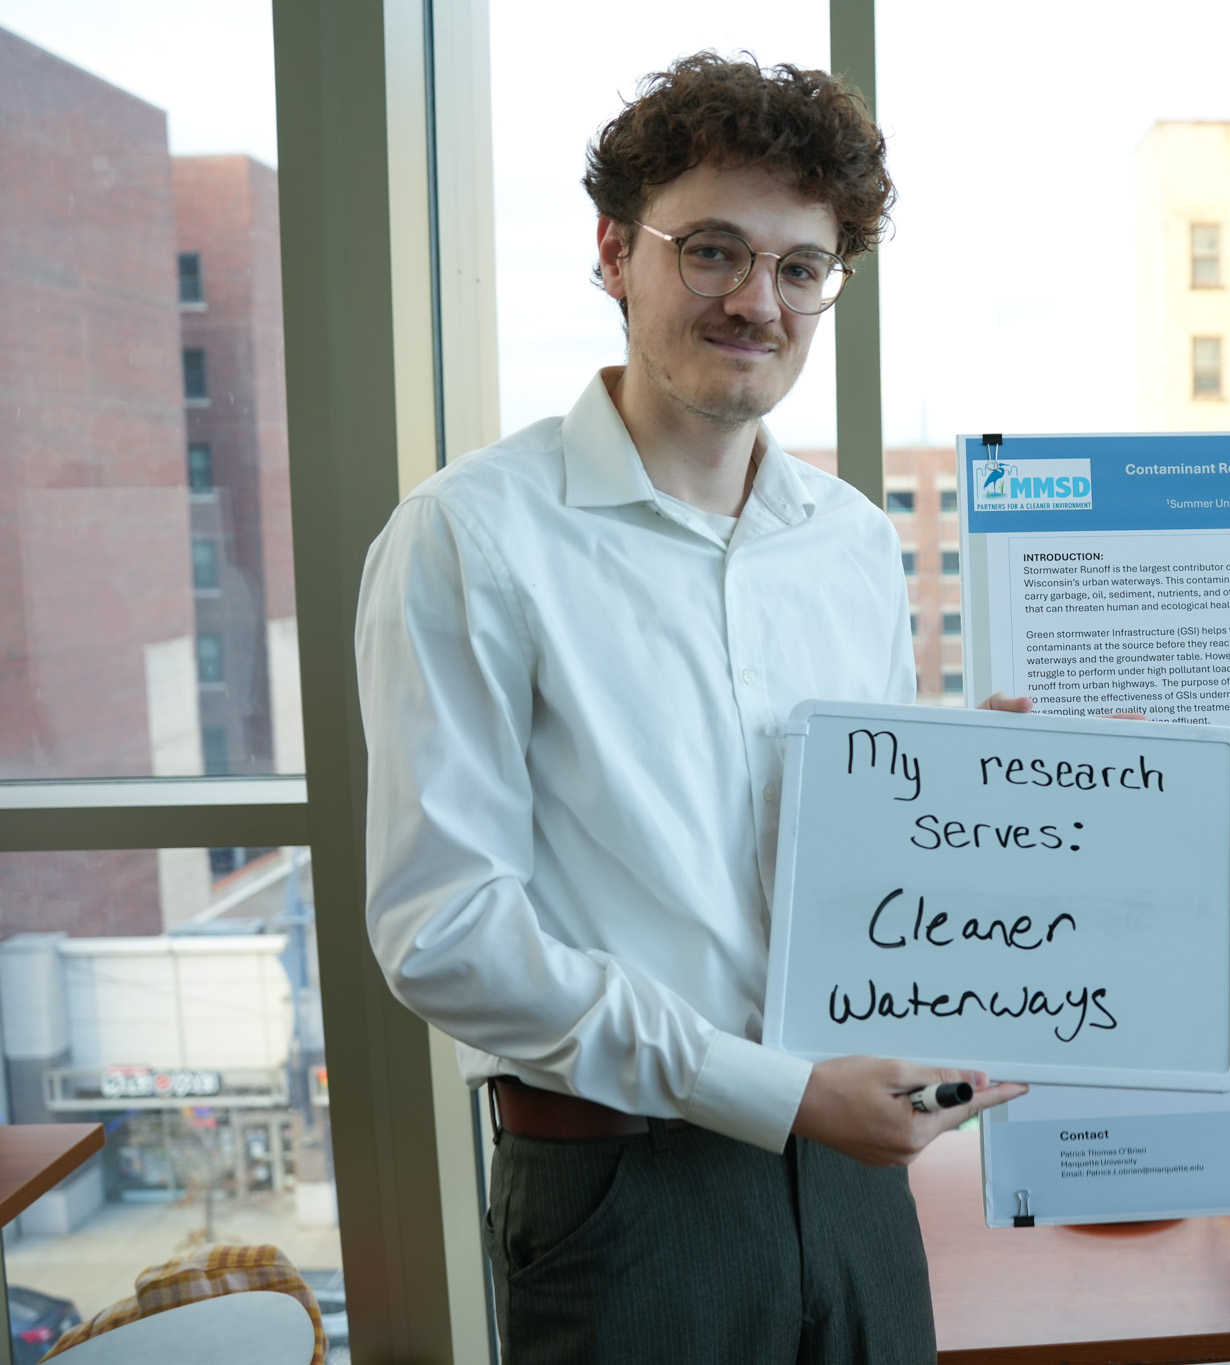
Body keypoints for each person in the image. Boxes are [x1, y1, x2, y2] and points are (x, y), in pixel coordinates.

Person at [355, 53, 1025, 1363]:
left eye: (797, 266)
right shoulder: (473, 537)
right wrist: (776, 1092)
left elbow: (846, 877)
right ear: (615, 251)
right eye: (711, 249)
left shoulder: (846, 540)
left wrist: (980, 799)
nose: (755, 301)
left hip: (857, 1179)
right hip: (626, 1194)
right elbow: (447, 934)